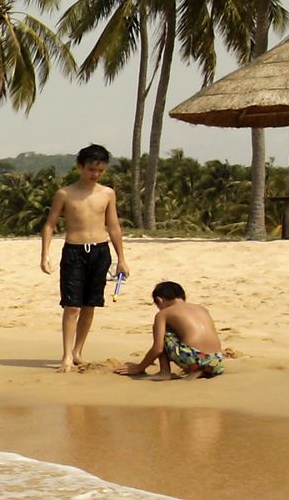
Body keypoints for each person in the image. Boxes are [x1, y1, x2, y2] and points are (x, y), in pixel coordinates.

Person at [37, 144, 129, 372]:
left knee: (89, 305)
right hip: (74, 251)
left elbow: (114, 226)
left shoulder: (107, 193)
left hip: (100, 251)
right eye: (91, 169)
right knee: (72, 306)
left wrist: (122, 259)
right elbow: (49, 225)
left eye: (100, 170)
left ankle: (78, 351)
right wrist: (45, 255)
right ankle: (67, 355)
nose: (95, 174)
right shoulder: (65, 193)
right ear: (80, 167)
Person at [120, 281, 227, 379]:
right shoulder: (202, 309)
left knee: (163, 333)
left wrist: (139, 367)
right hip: (217, 361)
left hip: (194, 359)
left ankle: (164, 372)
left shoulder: (164, 313)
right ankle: (201, 370)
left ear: (159, 300)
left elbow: (158, 349)